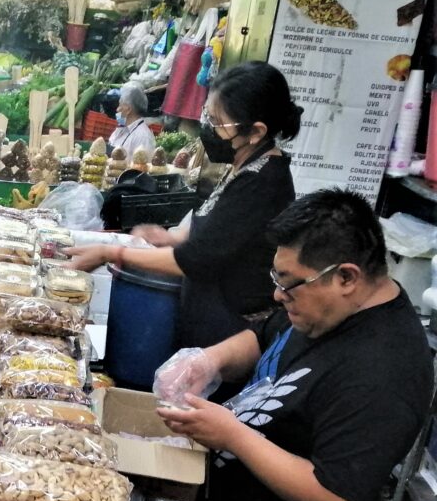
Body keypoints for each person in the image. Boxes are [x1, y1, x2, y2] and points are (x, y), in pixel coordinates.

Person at [155, 190, 433, 501]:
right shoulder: (322, 305)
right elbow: (265, 334)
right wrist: (210, 360)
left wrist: (233, 435)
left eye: (288, 282)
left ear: (346, 277)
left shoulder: (386, 370)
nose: (277, 293)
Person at [69, 61, 300, 350]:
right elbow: (220, 229)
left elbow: (194, 259)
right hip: (205, 314)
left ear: (255, 131)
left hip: (229, 332)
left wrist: (111, 252)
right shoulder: (246, 163)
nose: (209, 130)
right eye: (209, 117)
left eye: (218, 123)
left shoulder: (262, 184)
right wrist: (173, 237)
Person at [108, 83, 156, 163]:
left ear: (128, 109)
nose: (117, 109)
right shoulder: (121, 129)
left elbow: (142, 168)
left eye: (120, 105)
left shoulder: (143, 136)